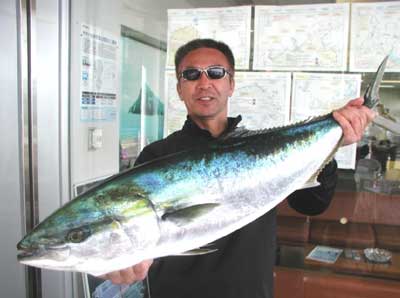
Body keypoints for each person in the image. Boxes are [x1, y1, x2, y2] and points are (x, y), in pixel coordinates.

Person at [101, 39, 375, 297]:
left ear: (231, 84)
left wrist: (332, 145)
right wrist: (121, 259)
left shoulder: (266, 148)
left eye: (216, 73)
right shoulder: (156, 156)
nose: (204, 83)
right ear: (179, 88)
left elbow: (312, 204)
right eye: (192, 75)